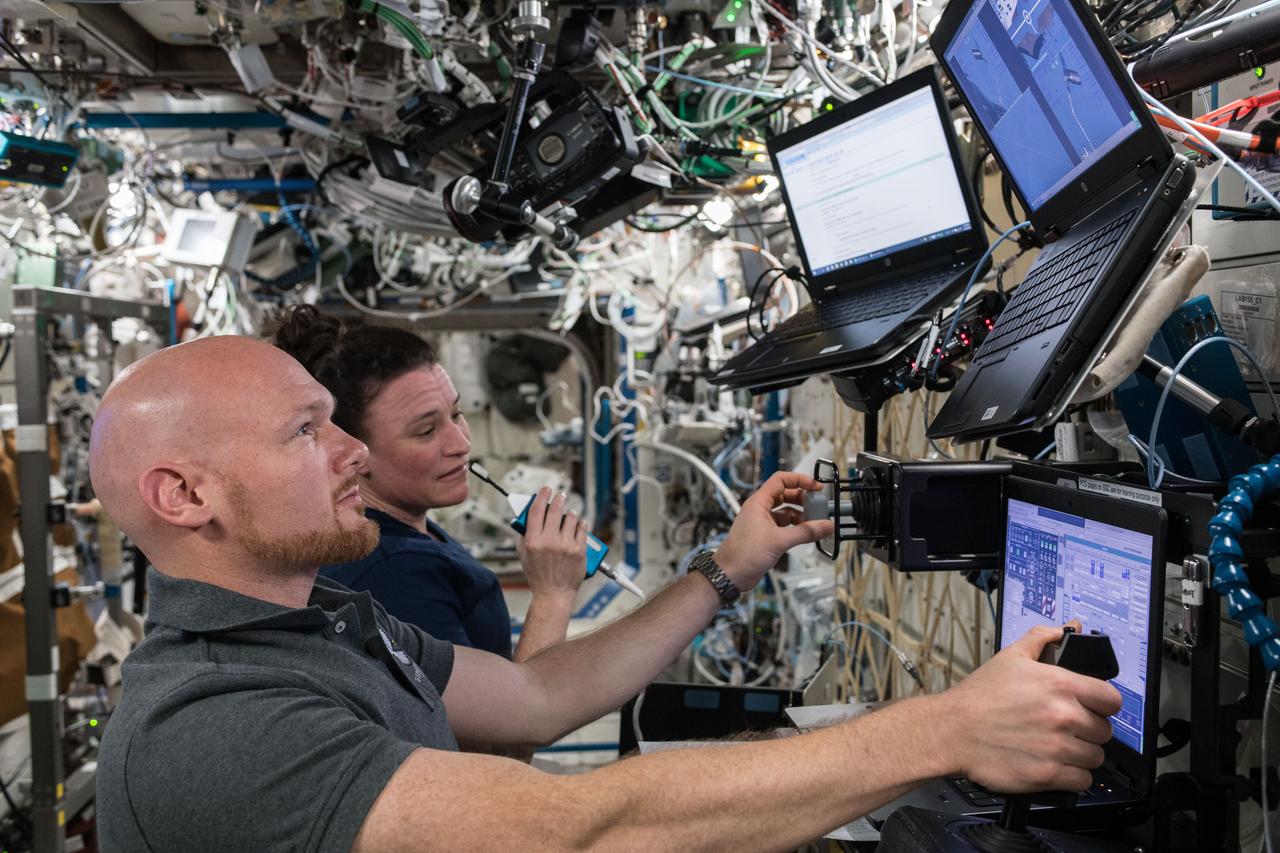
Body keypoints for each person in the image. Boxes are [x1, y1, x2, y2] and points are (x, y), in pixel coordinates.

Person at [90, 336, 1122, 852]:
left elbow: (538, 699)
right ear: (183, 495)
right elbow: (575, 830)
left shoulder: (325, 616)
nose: (353, 452)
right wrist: (946, 730)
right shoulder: (214, 722)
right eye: (306, 432)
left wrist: (726, 566)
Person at [269, 306, 584, 662]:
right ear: (354, 453)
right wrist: (554, 593)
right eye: (427, 430)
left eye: (456, 414)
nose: (461, 444)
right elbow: (495, 716)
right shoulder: (395, 575)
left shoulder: (403, 532)